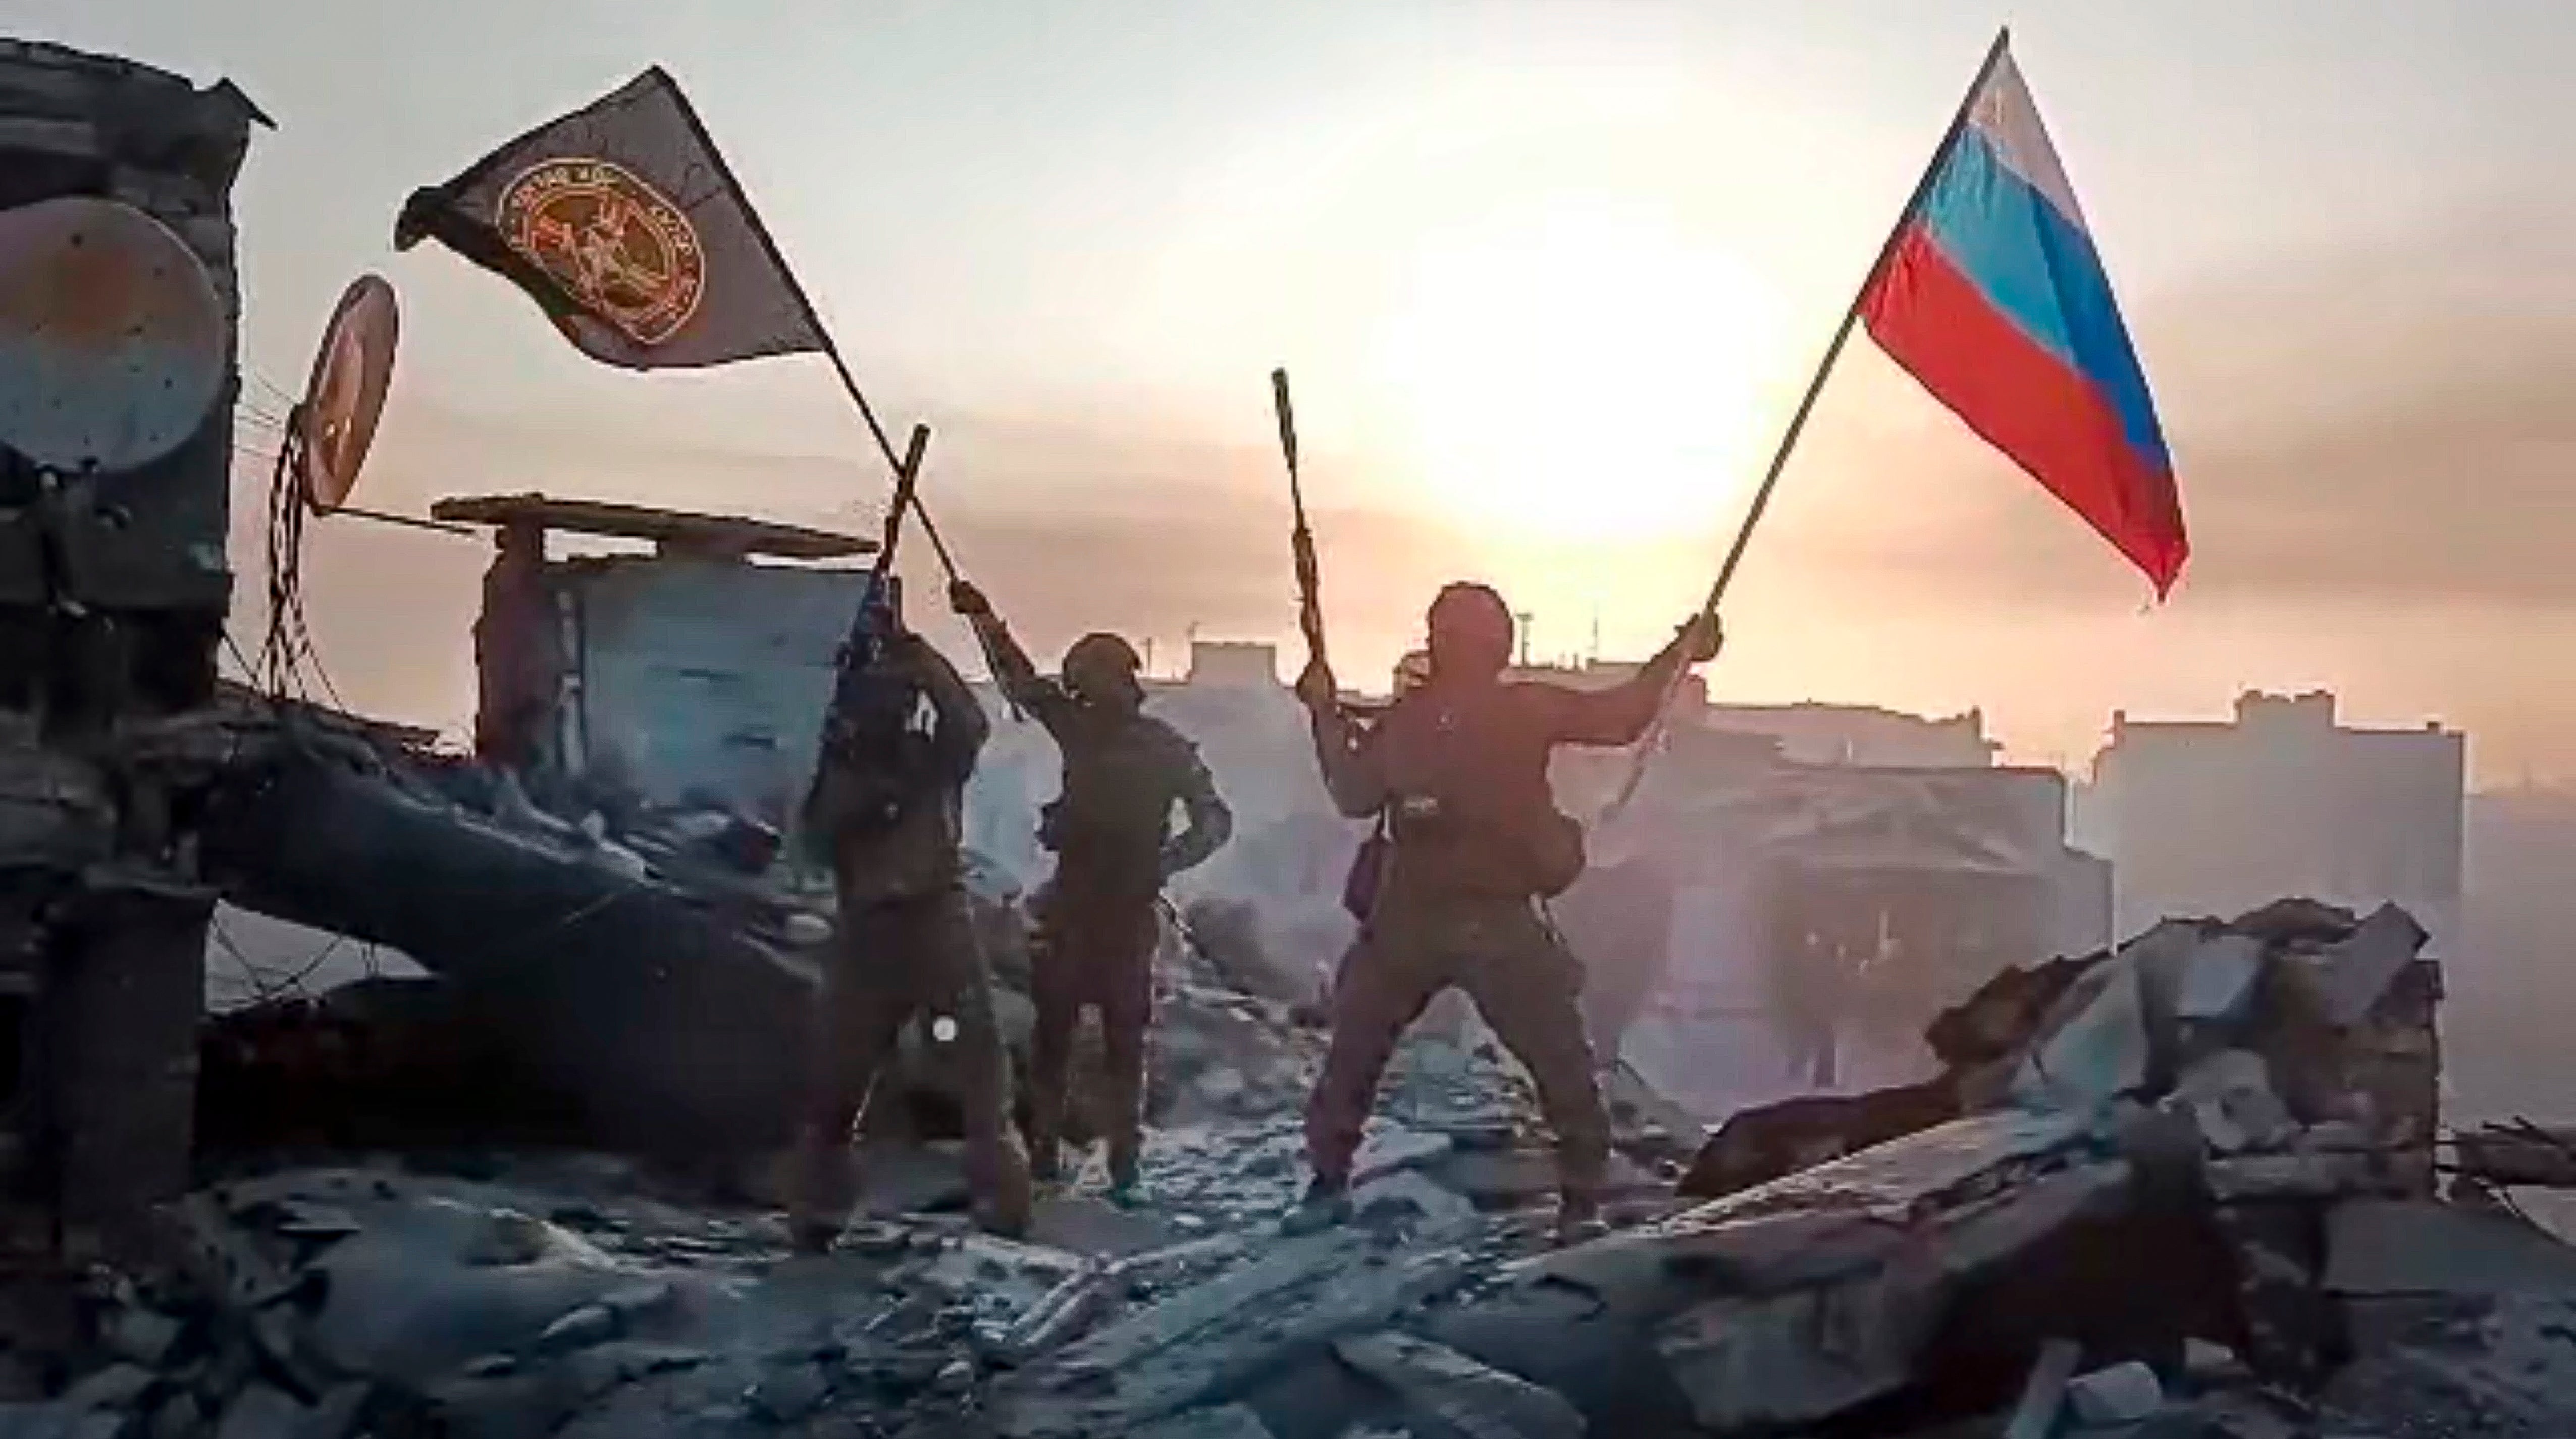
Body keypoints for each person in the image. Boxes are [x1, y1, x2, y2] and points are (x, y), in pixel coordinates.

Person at [1289, 582, 1721, 1245]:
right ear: (1498, 645)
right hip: (1483, 917)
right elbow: (1623, 715)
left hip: (1416, 916)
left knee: (1357, 1054)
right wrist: (1677, 654)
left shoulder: (1408, 720)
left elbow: (1351, 792)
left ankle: (1327, 1183)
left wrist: (1324, 717)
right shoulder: (1519, 709)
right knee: (1557, 1063)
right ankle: (1581, 1200)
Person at [950, 581, 1233, 1204]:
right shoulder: (1092, 731)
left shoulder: (1150, 745)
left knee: (1116, 1043)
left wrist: (1164, 863)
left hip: (1117, 909)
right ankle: (1060, 1158)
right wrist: (984, 619)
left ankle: (1116, 1163)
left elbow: (1214, 818)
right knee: (1072, 1039)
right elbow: (1021, 683)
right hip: (1081, 903)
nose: (1083, 696)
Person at [788, 580, 1032, 1249]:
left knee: (980, 1080)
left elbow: (969, 721)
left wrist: (921, 658)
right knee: (837, 1087)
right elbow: (813, 840)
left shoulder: (932, 762)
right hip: (868, 933)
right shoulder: (837, 775)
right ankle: (817, 1216)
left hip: (934, 923)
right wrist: (860, 792)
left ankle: (1003, 1207)